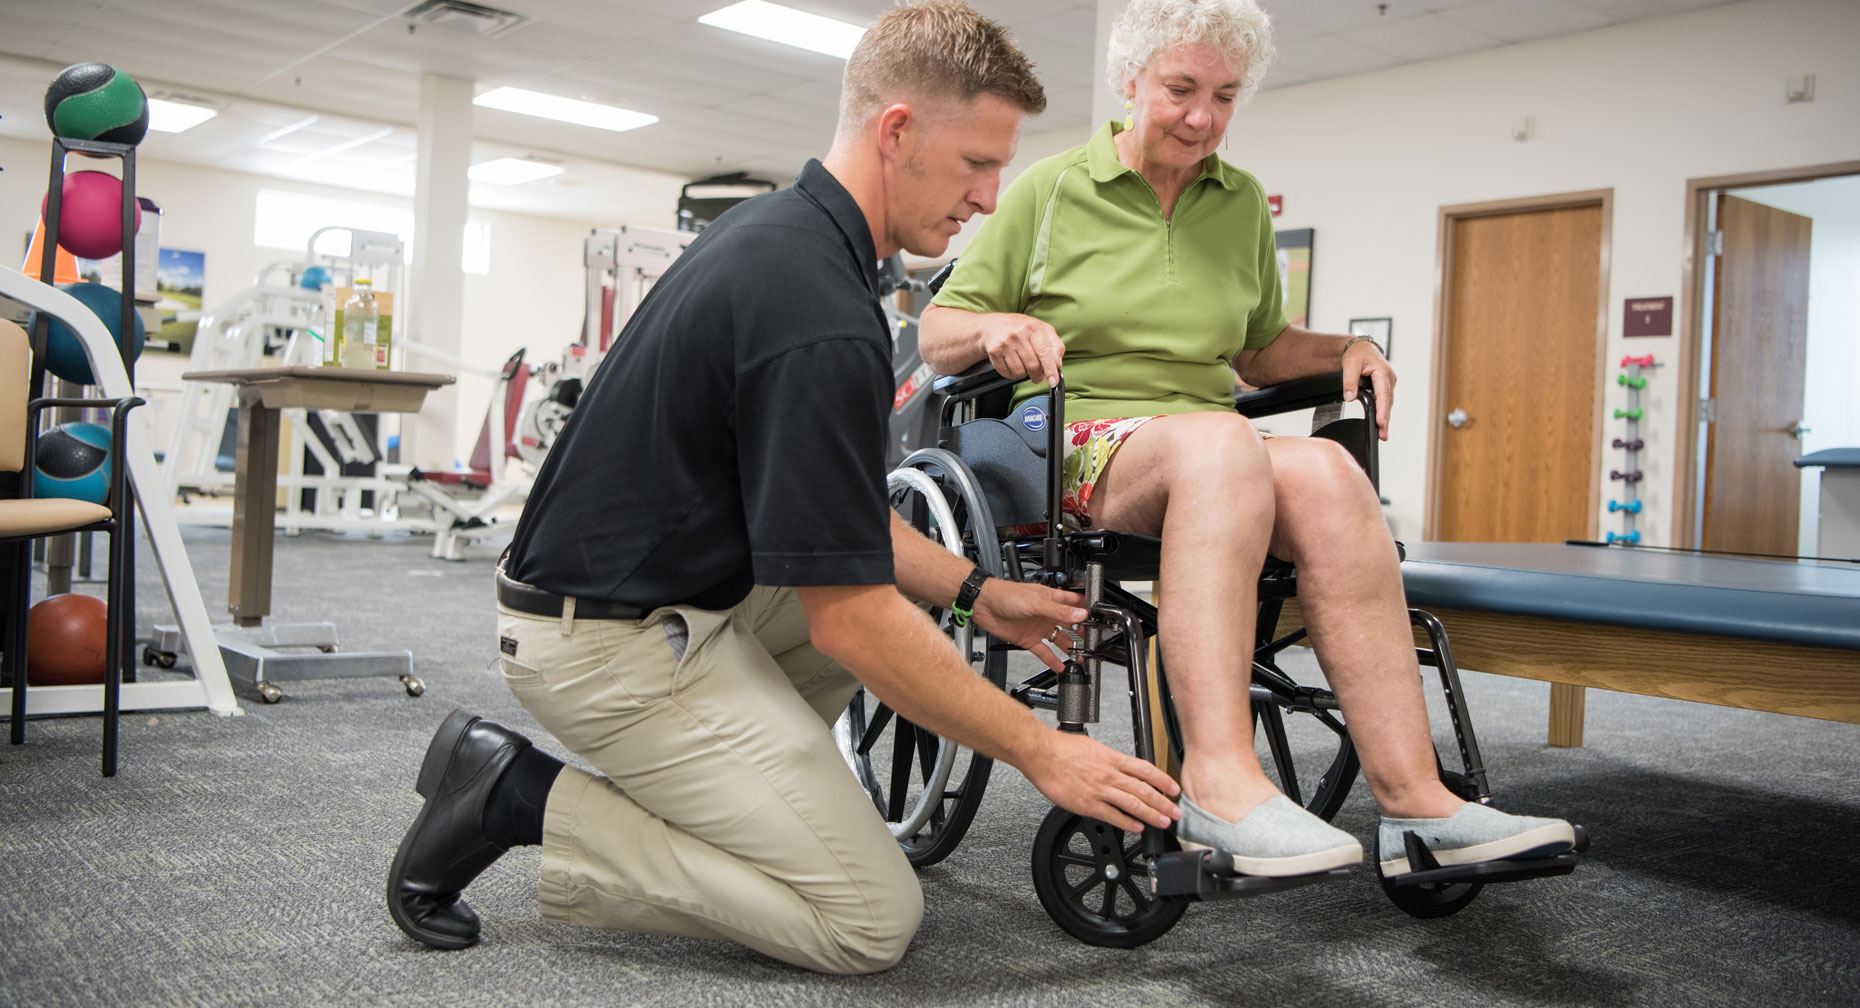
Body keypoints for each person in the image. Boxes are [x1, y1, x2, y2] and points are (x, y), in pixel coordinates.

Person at [384, 1, 1180, 976]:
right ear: (897, 132)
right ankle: (515, 795)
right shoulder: (816, 308)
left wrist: (978, 592)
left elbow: (839, 526)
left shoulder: (796, 243)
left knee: (896, 614)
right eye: (977, 162)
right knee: (868, 921)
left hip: (665, 598)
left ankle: (742, 803)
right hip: (599, 645)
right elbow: (848, 620)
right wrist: (1040, 749)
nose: (989, 197)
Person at [920, 0, 1574, 879]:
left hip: (1201, 447)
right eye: (1181, 88)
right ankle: (1221, 784)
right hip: (1071, 439)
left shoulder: (1239, 206)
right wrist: (997, 325)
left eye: (1225, 95)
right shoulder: (1051, 189)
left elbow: (1260, 349)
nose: (1202, 116)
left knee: (1330, 474)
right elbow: (938, 331)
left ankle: (1418, 802)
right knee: (1221, 445)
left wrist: (1348, 348)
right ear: (1130, 82)